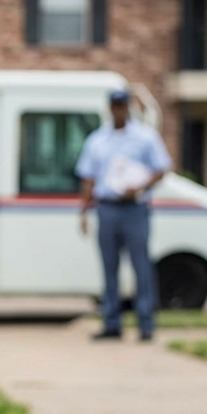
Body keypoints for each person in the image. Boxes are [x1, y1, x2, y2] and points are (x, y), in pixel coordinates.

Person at [76, 89, 173, 341]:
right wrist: (84, 212)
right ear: (109, 108)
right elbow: (88, 178)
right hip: (107, 208)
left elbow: (161, 168)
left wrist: (140, 187)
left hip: (134, 209)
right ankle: (112, 322)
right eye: (115, 106)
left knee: (141, 266)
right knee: (109, 268)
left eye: (123, 106)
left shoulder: (145, 137)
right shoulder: (97, 140)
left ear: (129, 108)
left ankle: (146, 323)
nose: (119, 110)